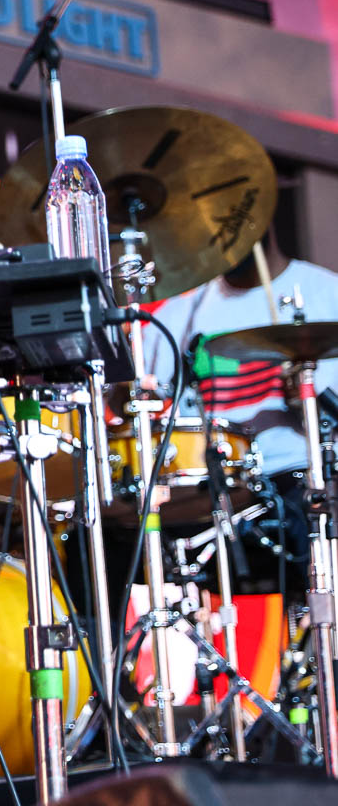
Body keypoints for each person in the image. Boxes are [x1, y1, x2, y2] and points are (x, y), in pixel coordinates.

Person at [143, 229, 338, 591]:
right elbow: (130, 404)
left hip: (298, 478)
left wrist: (307, 397)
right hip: (208, 489)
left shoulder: (325, 293)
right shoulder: (180, 316)